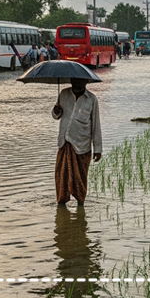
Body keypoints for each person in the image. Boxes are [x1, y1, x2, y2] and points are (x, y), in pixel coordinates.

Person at [51, 77, 102, 205]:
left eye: (80, 82)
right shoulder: (63, 94)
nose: (77, 84)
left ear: (86, 82)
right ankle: (61, 205)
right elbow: (57, 115)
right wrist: (55, 112)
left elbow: (96, 125)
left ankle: (80, 207)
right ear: (71, 81)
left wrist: (98, 149)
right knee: (61, 176)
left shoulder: (91, 100)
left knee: (80, 180)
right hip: (64, 143)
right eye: (74, 81)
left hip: (82, 147)